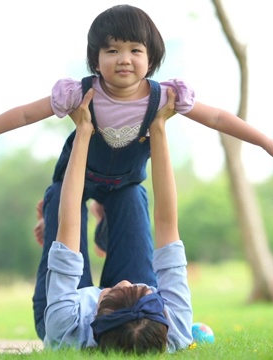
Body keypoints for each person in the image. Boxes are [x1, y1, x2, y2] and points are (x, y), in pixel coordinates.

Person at [0, 4, 273, 340]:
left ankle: (107, 225)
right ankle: (69, 218)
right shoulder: (79, 94)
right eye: (111, 50)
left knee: (132, 198)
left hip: (125, 183)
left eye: (134, 50)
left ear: (151, 58)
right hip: (79, 178)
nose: (123, 58)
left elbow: (217, 117)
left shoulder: (163, 97)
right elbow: (26, 113)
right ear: (95, 60)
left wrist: (265, 142)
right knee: (64, 200)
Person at [43, 85, 191, 353]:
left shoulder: (65, 327)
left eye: (112, 292)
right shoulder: (175, 328)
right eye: (140, 289)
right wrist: (158, 128)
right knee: (131, 193)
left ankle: (98, 208)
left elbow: (70, 223)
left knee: (58, 196)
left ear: (95, 316)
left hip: (63, 305)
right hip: (129, 317)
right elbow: (168, 222)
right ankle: (108, 211)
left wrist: (84, 131)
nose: (123, 282)